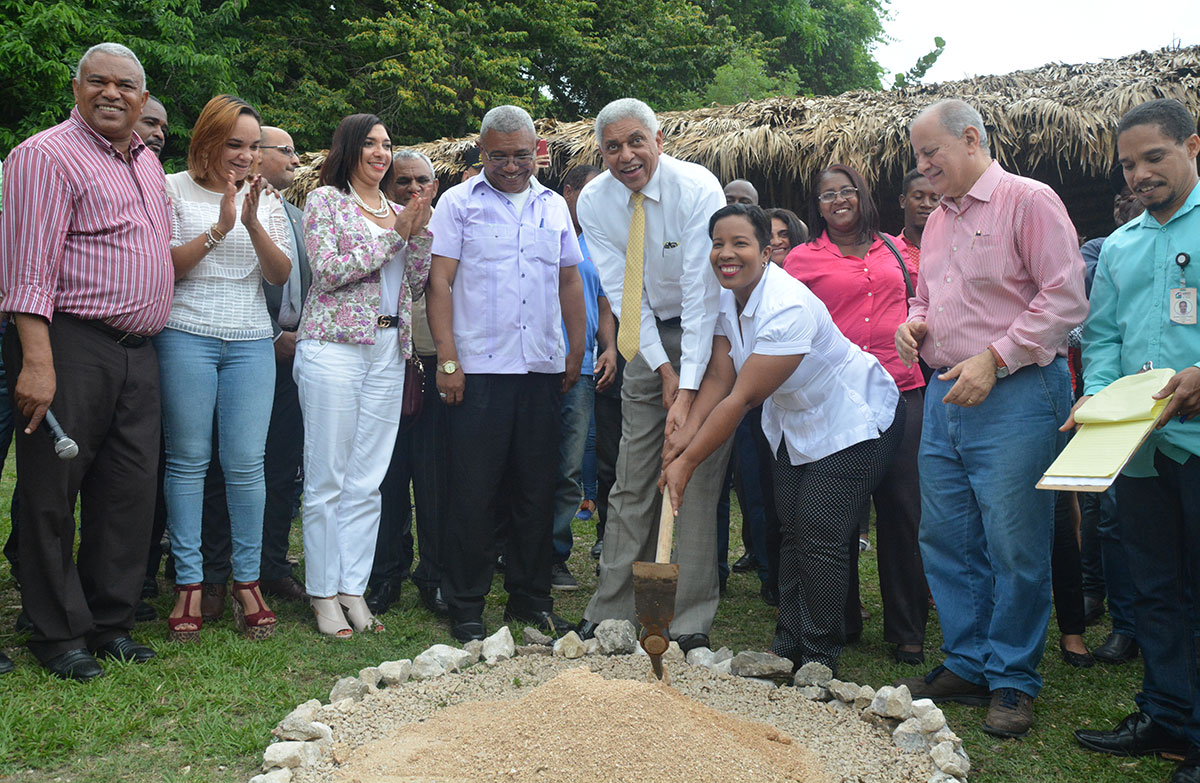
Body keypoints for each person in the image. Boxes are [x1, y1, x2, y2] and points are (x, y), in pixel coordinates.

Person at [894, 98, 1088, 739]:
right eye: (917, 156)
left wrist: (995, 358)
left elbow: (1064, 298)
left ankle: (1012, 678)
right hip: (948, 393)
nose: (923, 167)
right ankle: (969, 662)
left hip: (1017, 394)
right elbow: (930, 291)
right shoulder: (941, 219)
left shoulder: (1029, 201)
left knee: (1015, 544)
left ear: (971, 139)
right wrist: (915, 321)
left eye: (931, 153)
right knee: (946, 539)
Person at [662, 204, 902, 672]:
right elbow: (720, 374)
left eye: (740, 244)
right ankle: (789, 644)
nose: (726, 254)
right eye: (717, 244)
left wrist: (687, 464)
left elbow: (739, 400)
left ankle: (817, 656)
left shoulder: (786, 305)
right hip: (796, 422)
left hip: (855, 418)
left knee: (820, 532)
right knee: (791, 527)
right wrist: (683, 433)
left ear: (768, 251)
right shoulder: (724, 293)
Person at [0, 42, 173, 679]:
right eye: (97, 82)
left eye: (125, 85)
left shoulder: (147, 163)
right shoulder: (44, 156)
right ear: (76, 89)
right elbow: (25, 270)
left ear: (141, 96)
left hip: (138, 350)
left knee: (127, 492)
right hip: (69, 344)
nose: (111, 94)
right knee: (51, 491)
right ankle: (57, 634)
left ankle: (109, 622)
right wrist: (37, 363)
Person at [1070, 98, 1200, 783]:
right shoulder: (1119, 247)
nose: (1141, 174)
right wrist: (1096, 391)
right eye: (1129, 164)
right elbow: (1104, 337)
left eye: (1155, 157)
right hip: (1139, 447)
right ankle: (1167, 713)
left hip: (1198, 442)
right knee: (1150, 587)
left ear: (1193, 146)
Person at [575, 98, 730, 651]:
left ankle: (686, 622)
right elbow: (621, 291)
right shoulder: (595, 200)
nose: (626, 155)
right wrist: (662, 369)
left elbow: (700, 292)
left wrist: (686, 389)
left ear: (659, 140)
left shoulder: (697, 188)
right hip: (646, 335)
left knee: (691, 474)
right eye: (612, 147)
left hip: (708, 333)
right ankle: (612, 608)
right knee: (632, 473)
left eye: (636, 141)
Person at [427, 104, 585, 642]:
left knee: (535, 489)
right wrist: (448, 359)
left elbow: (569, 282)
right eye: (499, 155)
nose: (512, 165)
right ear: (481, 151)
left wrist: (574, 347)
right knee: (473, 490)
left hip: (541, 367)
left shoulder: (553, 208)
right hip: (478, 370)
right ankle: (467, 603)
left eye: (522, 155)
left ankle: (529, 598)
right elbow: (439, 284)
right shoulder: (457, 204)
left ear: (537, 151)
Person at [157, 95, 293, 643]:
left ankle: (246, 580)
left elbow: (280, 275)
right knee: (188, 461)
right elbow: (166, 268)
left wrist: (254, 221)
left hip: (251, 341)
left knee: (246, 465)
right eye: (233, 143)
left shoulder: (269, 199)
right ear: (207, 141)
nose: (243, 155)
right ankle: (189, 581)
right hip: (185, 332)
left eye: (252, 145)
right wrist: (220, 225)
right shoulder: (171, 188)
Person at [785, 163, 929, 665]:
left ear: (864, 196)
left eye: (847, 191)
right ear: (817, 206)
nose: (839, 200)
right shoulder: (802, 259)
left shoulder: (893, 249)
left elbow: (920, 305)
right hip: (838, 398)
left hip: (901, 389)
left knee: (904, 511)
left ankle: (907, 629)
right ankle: (838, 619)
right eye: (827, 195)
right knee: (836, 514)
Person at [295, 114, 432, 638]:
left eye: (387, 144)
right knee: (327, 475)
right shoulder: (327, 202)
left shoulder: (399, 210)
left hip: (388, 349)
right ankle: (322, 593)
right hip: (334, 345)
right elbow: (328, 271)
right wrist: (394, 236)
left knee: (368, 479)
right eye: (371, 143)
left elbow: (414, 283)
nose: (381, 152)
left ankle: (353, 587)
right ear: (349, 149)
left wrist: (416, 236)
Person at [198, 125, 311, 605]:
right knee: (228, 464)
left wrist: (298, 335)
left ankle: (270, 565)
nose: (295, 159)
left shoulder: (297, 217)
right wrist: (271, 337)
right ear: (255, 156)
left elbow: (311, 285)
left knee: (281, 464)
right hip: (239, 348)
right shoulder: (219, 205)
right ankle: (215, 573)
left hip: (293, 359)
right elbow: (217, 288)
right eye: (285, 151)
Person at [370, 148, 447, 617]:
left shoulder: (452, 226)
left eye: (422, 180)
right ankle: (385, 574)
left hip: (439, 363)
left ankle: (434, 575)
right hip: (385, 365)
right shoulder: (376, 227)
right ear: (387, 186)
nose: (414, 189)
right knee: (387, 477)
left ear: (435, 186)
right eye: (403, 182)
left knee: (437, 479)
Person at [550, 164, 617, 590]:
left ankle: (555, 554)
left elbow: (604, 302)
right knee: (526, 461)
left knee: (569, 466)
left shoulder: (603, 242)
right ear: (569, 192)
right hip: (537, 365)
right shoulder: (547, 228)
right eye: (590, 191)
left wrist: (608, 347)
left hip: (585, 367)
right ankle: (514, 547)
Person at [893, 169, 939, 272]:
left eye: (934, 198)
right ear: (903, 201)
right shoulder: (891, 251)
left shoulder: (950, 248)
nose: (927, 204)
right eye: (918, 197)